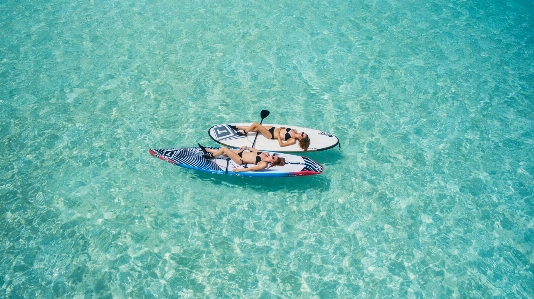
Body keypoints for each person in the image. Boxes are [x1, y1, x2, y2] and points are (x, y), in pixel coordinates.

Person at [198, 144, 286, 172]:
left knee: (224, 149)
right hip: (241, 153)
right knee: (224, 152)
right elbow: (254, 150)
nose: (272, 156)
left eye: (273, 158)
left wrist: (239, 170)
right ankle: (206, 149)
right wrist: (246, 147)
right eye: (274, 156)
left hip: (239, 160)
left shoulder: (263, 164)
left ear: (272, 162)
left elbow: (252, 168)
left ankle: (209, 156)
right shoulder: (265, 154)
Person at [229, 122, 311, 151]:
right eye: (303, 132)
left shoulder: (293, 139)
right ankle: (237, 127)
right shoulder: (295, 130)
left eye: (303, 135)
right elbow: (285, 128)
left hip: (270, 134)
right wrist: (281, 128)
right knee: (255, 129)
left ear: (301, 138)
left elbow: (281, 144)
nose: (302, 133)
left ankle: (244, 132)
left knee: (256, 124)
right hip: (273, 128)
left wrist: (278, 134)